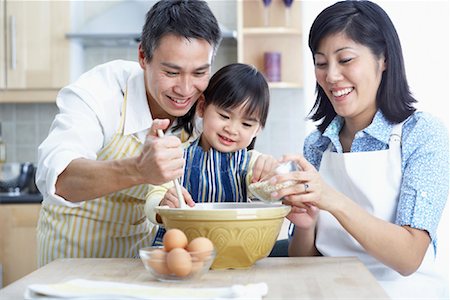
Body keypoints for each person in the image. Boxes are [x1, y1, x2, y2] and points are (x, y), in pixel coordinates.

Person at [35, 1, 272, 267]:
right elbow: (58, 180)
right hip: (73, 267)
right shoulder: (100, 92)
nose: (184, 89)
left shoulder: (204, 108)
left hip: (144, 268)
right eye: (171, 72)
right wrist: (138, 169)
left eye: (199, 72)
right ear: (143, 57)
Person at [269, 1, 449, 299]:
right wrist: (306, 224)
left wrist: (331, 199)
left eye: (346, 59)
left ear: (384, 60)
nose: (332, 76)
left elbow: (408, 258)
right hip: (330, 289)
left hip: (401, 291)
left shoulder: (423, 134)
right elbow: (303, 261)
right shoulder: (317, 144)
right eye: (321, 63)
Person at [145, 63, 272, 240]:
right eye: (224, 116)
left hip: (232, 250)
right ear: (202, 107)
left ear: (257, 129)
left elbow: (268, 192)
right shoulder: (176, 156)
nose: (232, 129)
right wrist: (162, 204)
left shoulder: (251, 163)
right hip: (180, 251)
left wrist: (271, 175)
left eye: (246, 124)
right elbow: (152, 199)